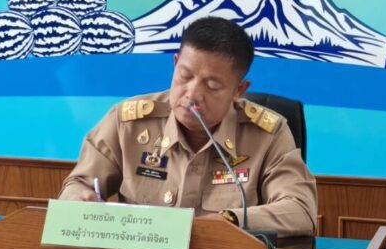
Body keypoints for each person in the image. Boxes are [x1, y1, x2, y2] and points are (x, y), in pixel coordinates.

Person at [57, 16, 317, 237]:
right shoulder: (128, 122)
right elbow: (78, 184)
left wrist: (229, 221)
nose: (192, 94)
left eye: (212, 86)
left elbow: (301, 211)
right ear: (175, 64)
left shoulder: (268, 135)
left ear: (238, 90)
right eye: (185, 76)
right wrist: (79, 197)